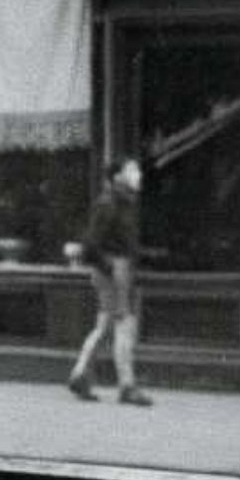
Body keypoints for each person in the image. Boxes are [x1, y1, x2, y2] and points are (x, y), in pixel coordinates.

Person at [68, 157, 153, 406]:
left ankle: (80, 375)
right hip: (113, 269)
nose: (138, 174)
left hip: (115, 268)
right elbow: (91, 244)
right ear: (118, 177)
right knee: (124, 323)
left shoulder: (122, 202)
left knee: (106, 325)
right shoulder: (109, 203)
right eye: (132, 170)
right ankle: (127, 386)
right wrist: (112, 271)